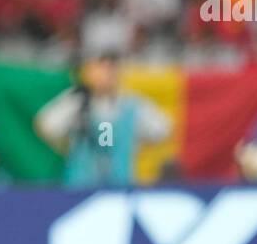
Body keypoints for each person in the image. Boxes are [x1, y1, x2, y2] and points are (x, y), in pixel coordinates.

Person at [33, 54, 170, 187]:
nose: (104, 76)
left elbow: (162, 129)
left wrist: (137, 146)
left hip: (120, 187)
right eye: (99, 69)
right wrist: (78, 97)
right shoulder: (78, 103)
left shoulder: (130, 104)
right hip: (81, 187)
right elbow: (47, 126)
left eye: (109, 69)